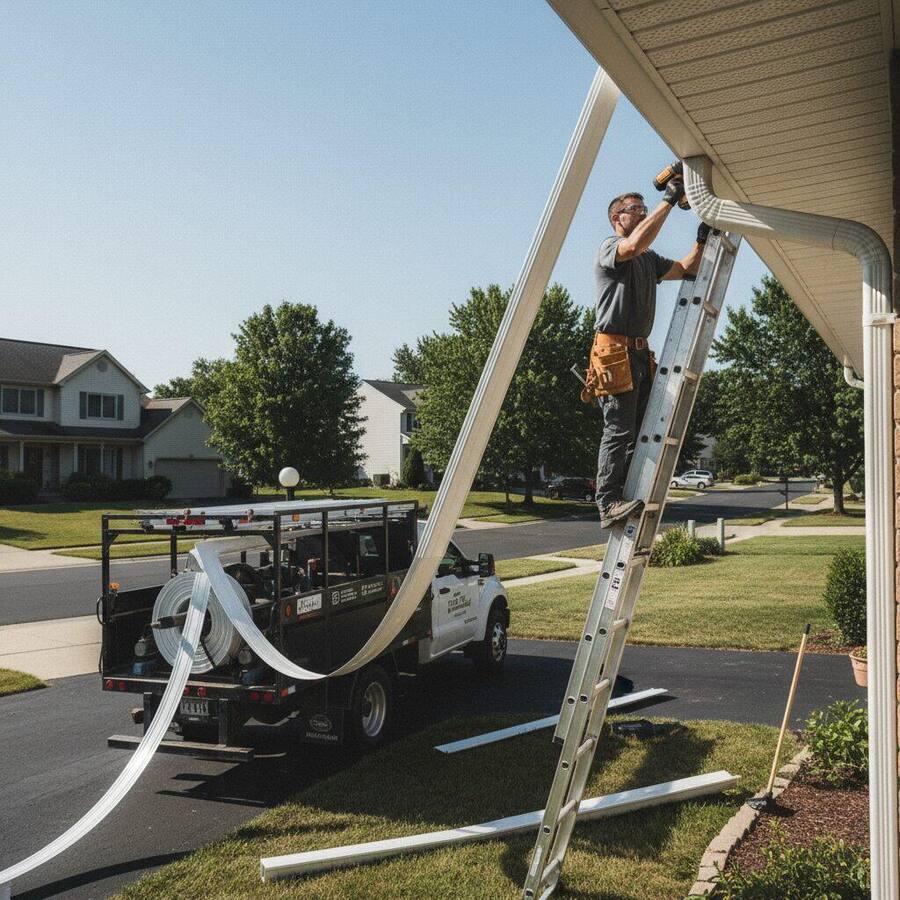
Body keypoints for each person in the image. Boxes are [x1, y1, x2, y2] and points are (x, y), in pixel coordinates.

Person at [587, 176, 710, 529]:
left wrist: (702, 239)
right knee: (619, 429)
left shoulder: (648, 259)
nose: (641, 213)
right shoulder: (611, 248)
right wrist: (669, 200)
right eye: (634, 209)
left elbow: (687, 269)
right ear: (617, 219)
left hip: (640, 354)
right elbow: (634, 245)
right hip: (613, 352)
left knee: (642, 428)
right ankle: (607, 502)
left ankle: (628, 493)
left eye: (644, 207)